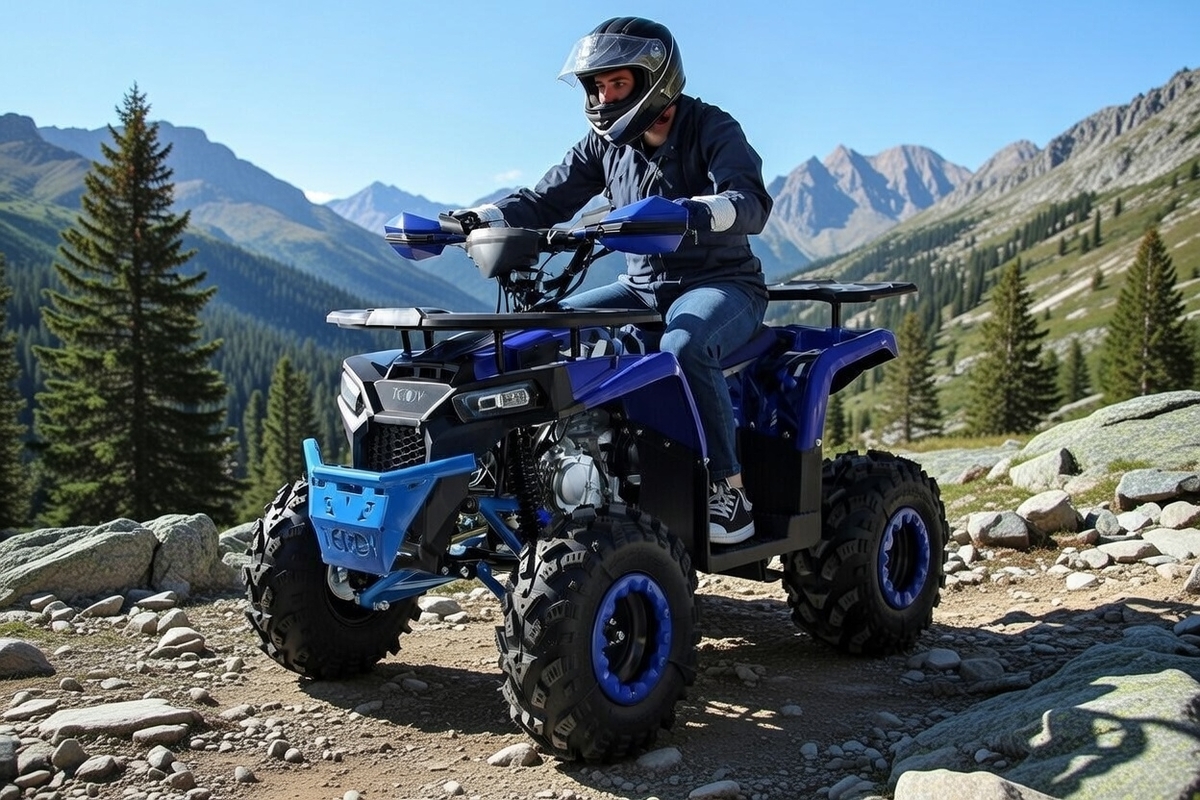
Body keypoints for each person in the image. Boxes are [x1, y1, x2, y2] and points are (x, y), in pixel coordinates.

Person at [452, 16, 772, 545]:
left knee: (685, 346)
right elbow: (543, 200)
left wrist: (691, 212)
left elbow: (750, 202)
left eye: (617, 83)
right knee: (544, 328)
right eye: (597, 86)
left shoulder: (712, 127)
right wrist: (476, 218)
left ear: (656, 80)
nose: (604, 98)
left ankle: (728, 491)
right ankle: (537, 479)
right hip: (641, 288)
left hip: (722, 284)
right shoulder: (603, 146)